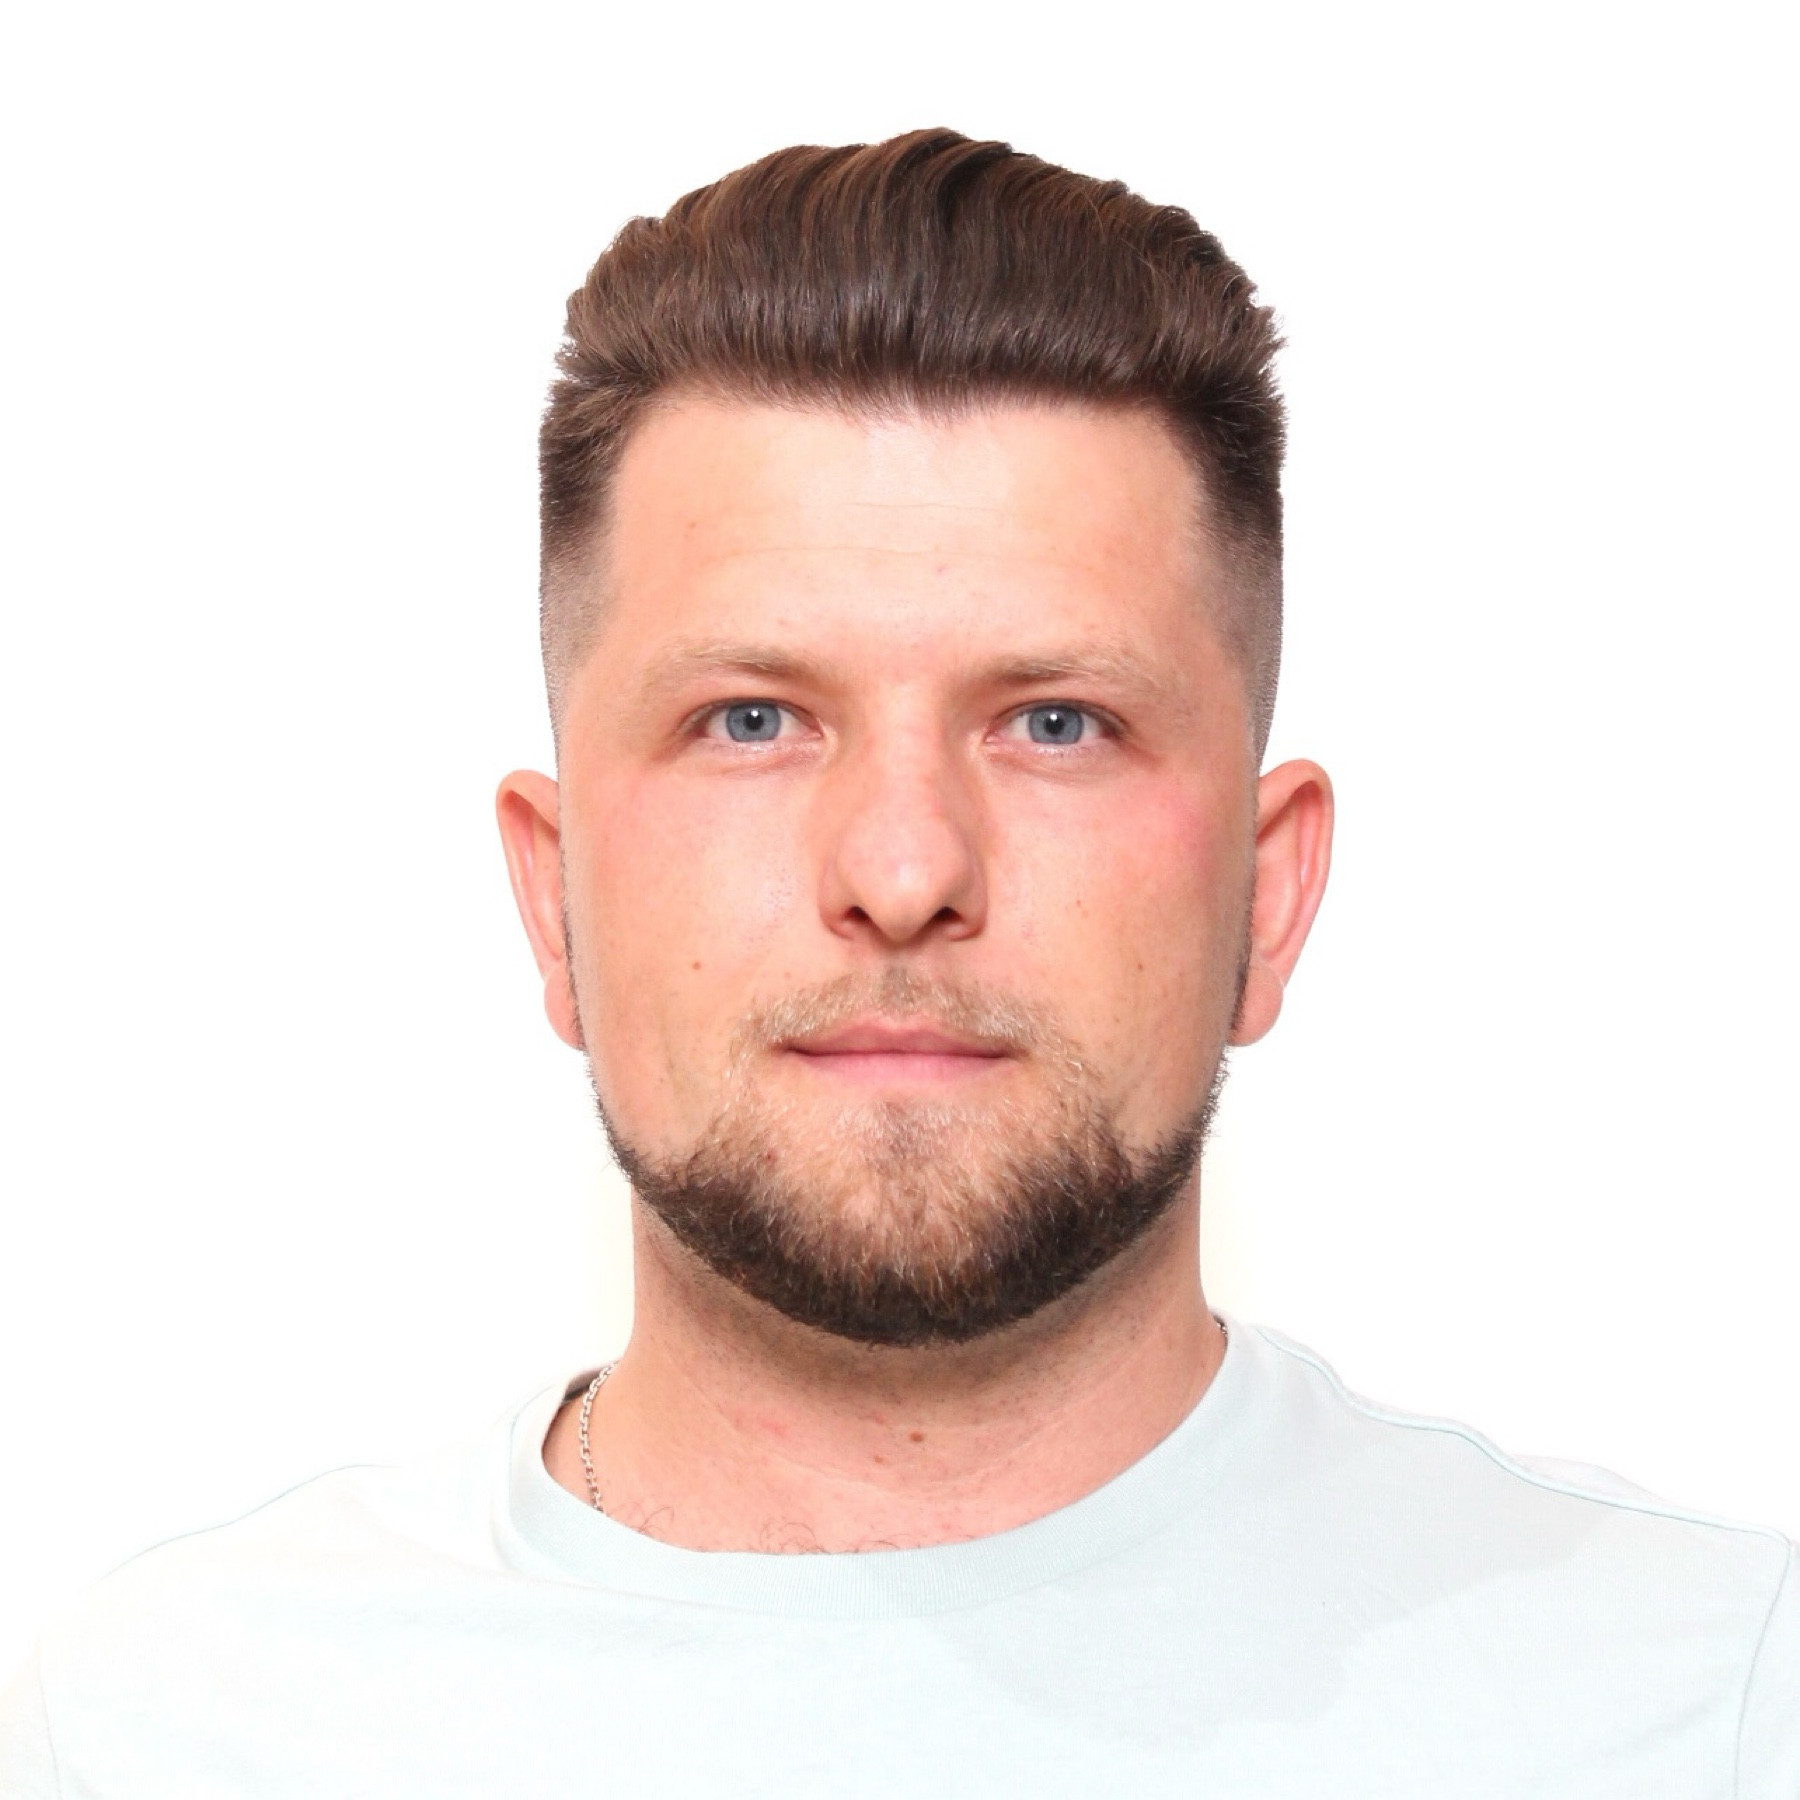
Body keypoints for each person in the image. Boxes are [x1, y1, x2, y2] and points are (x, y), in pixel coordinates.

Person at [1, 127, 1793, 1797]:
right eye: (752, 719)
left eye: (1058, 723)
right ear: (554, 902)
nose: (906, 870)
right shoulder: (156, 1732)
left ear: (1270, 894)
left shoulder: (1713, 1702)